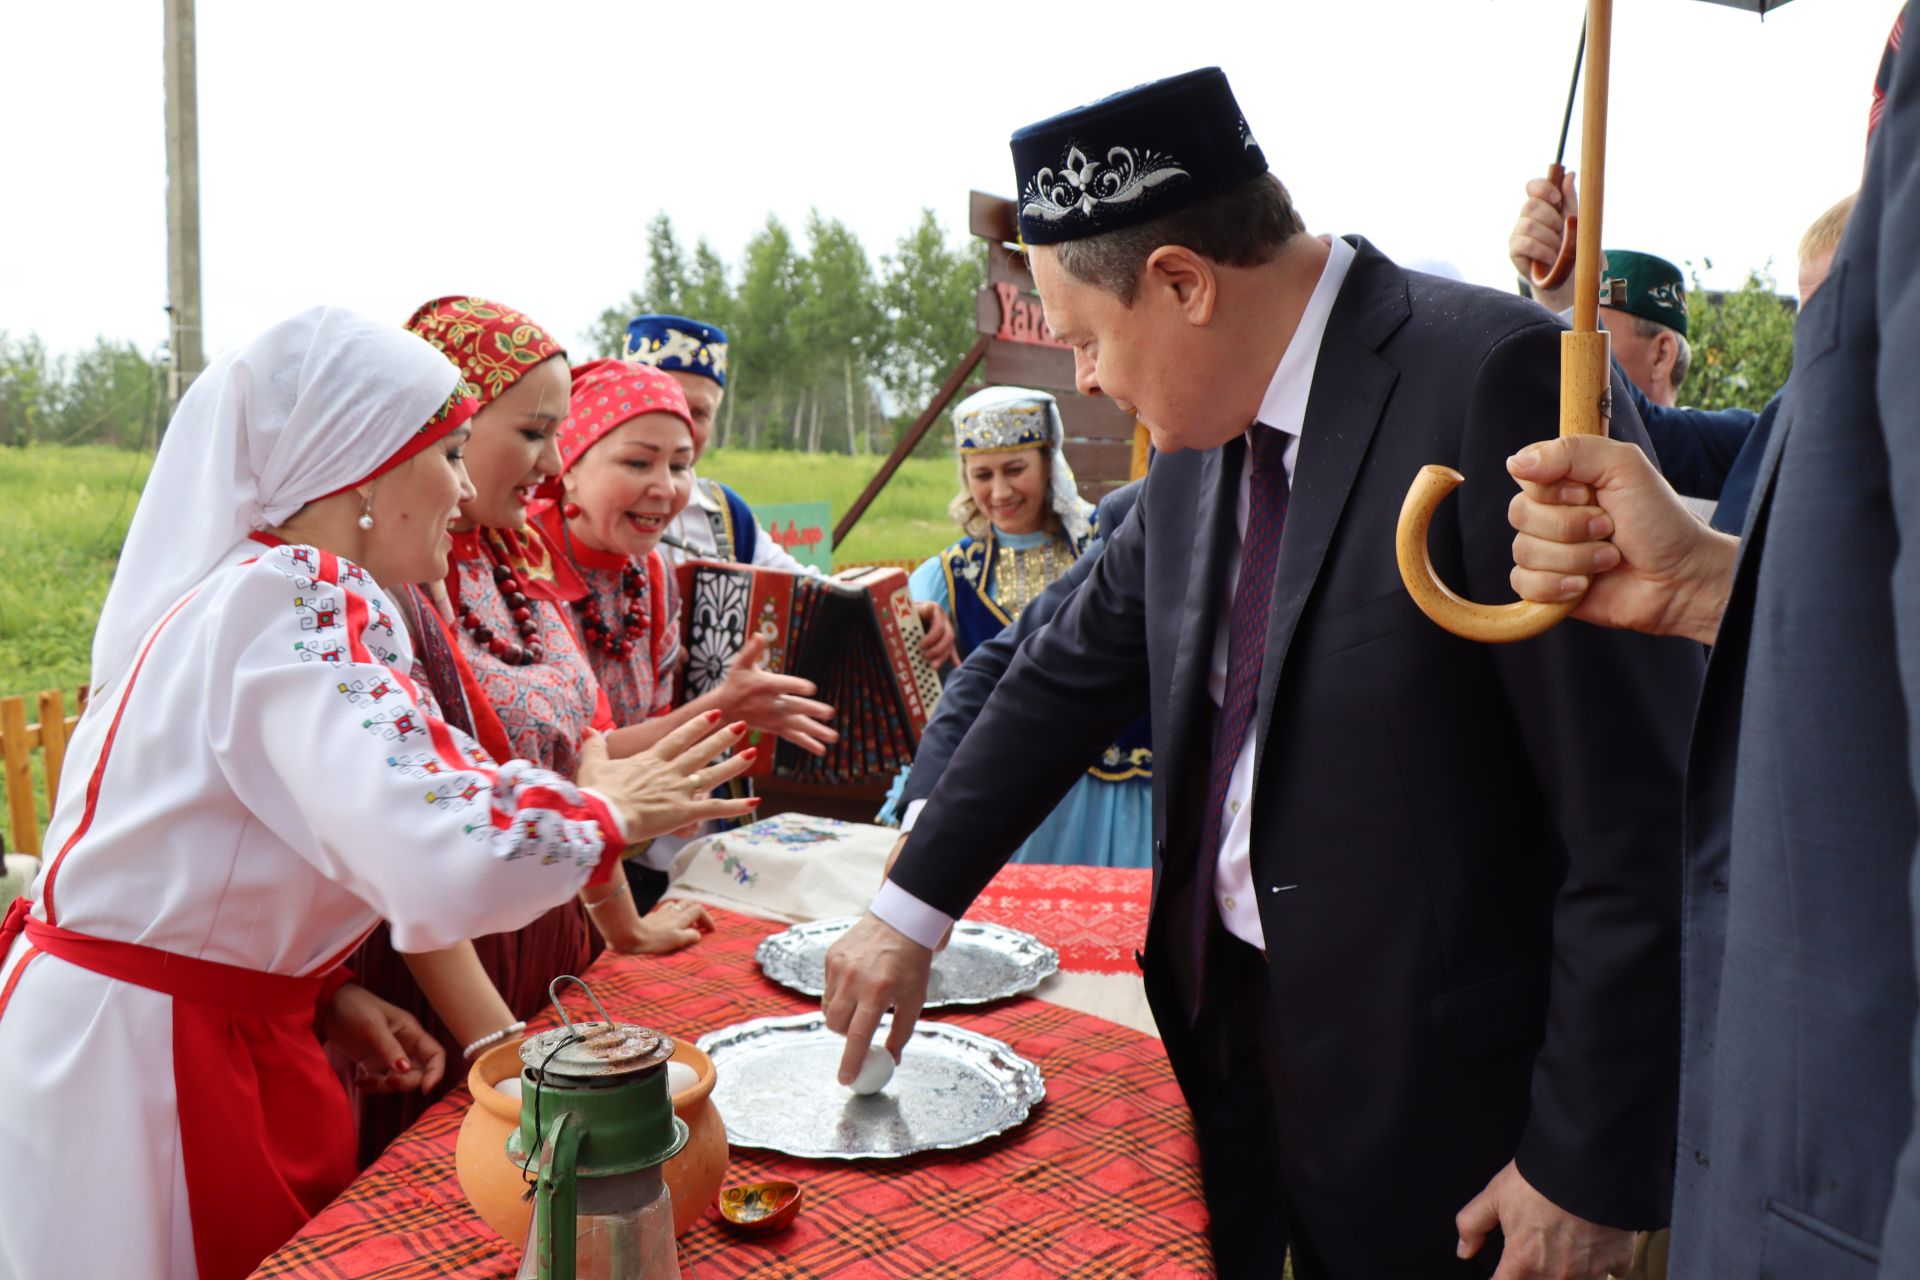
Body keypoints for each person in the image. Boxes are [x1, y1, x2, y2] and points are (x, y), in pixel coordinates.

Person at [822, 68, 1705, 1279]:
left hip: (1449, 1099)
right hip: (1231, 1043)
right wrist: (906, 911)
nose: (1083, 380)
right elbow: (1062, 674)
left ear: (1183, 283)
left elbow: (1640, 813)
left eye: (1087, 339)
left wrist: (1584, 1158)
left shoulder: (1495, 378)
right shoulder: (1199, 430)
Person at [0, 307, 756, 1280]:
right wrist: (605, 812)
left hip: (169, 1031)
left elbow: (234, 847)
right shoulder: (301, 591)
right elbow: (424, 833)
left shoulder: (257, 589)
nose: (464, 484)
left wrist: (318, 984)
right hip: (150, 1068)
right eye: (445, 453)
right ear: (365, 469)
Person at [1502, 16, 1917, 1271]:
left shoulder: (1752, 427)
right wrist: (1549, 307)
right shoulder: (1784, 424)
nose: (1819, 343)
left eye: (1831, 311)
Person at [347, 297, 714, 1164]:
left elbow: (579, 751)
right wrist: (497, 1043)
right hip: (445, 965)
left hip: (547, 939)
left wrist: (618, 930)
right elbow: (415, 833)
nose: (552, 463)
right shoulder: (391, 578)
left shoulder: (515, 556)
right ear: (451, 422)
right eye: (535, 432)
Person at [893, 386, 1151, 868]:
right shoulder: (947, 574)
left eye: (1015, 470)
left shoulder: (1108, 543)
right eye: (982, 475)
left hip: (1115, 794)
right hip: (1002, 795)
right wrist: (921, 618)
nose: (1000, 492)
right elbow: (906, 629)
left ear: (1049, 464)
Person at [624, 312, 956, 666]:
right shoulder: (589, 511)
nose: (682, 427)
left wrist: (898, 613)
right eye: (666, 404)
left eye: (700, 413)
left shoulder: (725, 515)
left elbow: (807, 589)